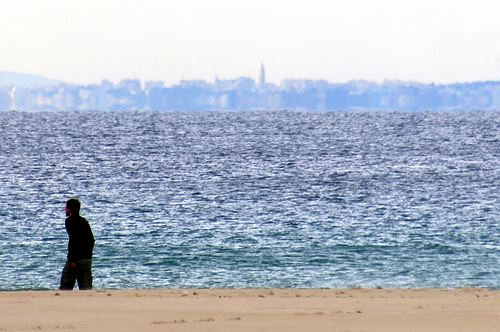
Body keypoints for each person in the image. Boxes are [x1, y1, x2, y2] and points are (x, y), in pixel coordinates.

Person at [59, 198, 95, 290]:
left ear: (70, 209)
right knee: (86, 287)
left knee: (65, 285)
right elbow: (91, 240)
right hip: (86, 259)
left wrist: (72, 260)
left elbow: (74, 240)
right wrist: (88, 256)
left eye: (66, 208)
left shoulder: (69, 221)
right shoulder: (84, 221)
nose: (65, 210)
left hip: (75, 259)